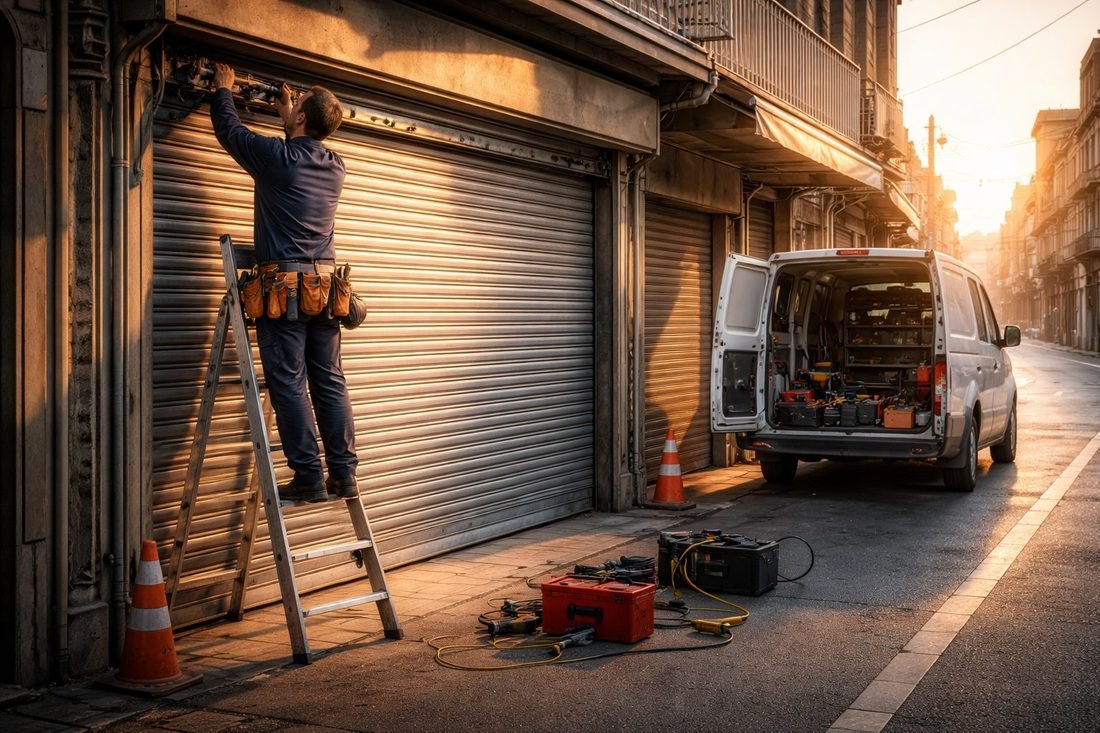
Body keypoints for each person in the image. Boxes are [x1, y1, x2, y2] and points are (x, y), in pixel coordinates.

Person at [210, 63, 358, 503]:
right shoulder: (335, 165)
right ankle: (343, 474)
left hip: (284, 291)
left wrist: (223, 90)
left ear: (299, 120)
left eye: (296, 110)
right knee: (329, 381)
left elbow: (231, 132)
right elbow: (302, 144)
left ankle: (309, 477)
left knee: (290, 382)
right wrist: (292, 119)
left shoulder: (278, 158)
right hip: (325, 290)